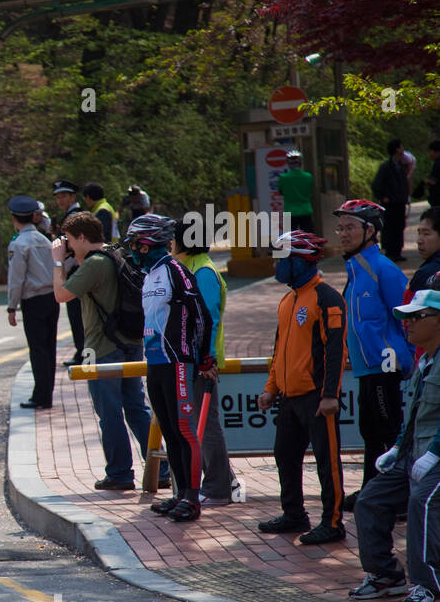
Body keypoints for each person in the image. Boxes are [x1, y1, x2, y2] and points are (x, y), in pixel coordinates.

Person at [50, 210, 158, 490]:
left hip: (101, 348)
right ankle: (162, 467)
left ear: (83, 237)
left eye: (71, 240)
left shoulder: (95, 264)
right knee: (136, 407)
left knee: (109, 412)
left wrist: (57, 261)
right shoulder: (117, 253)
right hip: (131, 342)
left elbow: (61, 295)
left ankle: (120, 473)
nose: (69, 246)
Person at [347, 288, 440, 602]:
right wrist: (398, 447)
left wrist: (435, 452)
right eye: (406, 318)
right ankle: (385, 574)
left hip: (435, 457)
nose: (407, 324)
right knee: (370, 500)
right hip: (414, 453)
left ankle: (429, 584)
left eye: (416, 317)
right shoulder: (425, 361)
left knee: (422, 502)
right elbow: (413, 415)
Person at [256, 231, 348, 544]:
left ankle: (333, 522)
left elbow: (336, 351)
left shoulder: (327, 298)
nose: (275, 267)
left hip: (317, 398)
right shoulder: (288, 299)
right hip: (289, 398)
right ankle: (294, 515)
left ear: (299, 261)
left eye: (280, 260)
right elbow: (279, 349)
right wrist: (271, 388)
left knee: (327, 461)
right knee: (285, 455)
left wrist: (330, 396)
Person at [129, 213, 213, 522]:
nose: (133, 250)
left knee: (184, 430)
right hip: (155, 363)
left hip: (178, 361)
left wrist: (205, 358)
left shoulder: (176, 270)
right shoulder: (149, 275)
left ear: (151, 242)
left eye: (137, 244)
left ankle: (192, 497)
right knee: (169, 430)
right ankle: (178, 493)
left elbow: (202, 314)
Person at [335, 199, 413, 513]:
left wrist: (406, 358)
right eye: (340, 228)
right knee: (370, 430)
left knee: (387, 430)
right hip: (367, 367)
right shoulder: (356, 269)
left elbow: (406, 317)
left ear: (370, 230)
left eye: (350, 227)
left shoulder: (382, 268)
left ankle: (397, 497)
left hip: (385, 363)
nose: (343, 233)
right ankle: (372, 488)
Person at [171, 219, 237, 505]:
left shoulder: (204, 272)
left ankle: (218, 488)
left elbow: (208, 319)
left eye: (172, 238)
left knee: (206, 425)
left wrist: (206, 360)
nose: (168, 244)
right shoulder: (190, 268)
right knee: (197, 423)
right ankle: (223, 479)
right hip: (192, 360)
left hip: (201, 363)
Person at [7, 193, 59, 409]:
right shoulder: (45, 240)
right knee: (50, 347)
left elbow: (16, 278)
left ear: (14, 218)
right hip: (51, 299)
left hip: (33, 301)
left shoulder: (19, 244)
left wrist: (12, 306)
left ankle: (41, 396)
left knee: (38, 349)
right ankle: (47, 393)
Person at [53, 179, 85, 366]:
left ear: (73, 196)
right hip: (75, 268)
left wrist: (62, 268)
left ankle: (83, 352)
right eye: (58, 197)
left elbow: (73, 249)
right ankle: (81, 351)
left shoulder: (75, 216)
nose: (60, 200)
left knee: (78, 315)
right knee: (76, 315)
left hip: (76, 269)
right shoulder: (70, 215)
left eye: (64, 196)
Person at [372, 140, 410, 262]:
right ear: (396, 149)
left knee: (399, 226)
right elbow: (376, 184)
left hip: (400, 202)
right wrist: (382, 197)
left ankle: (397, 251)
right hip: (389, 203)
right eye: (401, 147)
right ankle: (390, 251)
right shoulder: (386, 167)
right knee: (389, 227)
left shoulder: (401, 166)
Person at [277, 151, 315, 232]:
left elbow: (281, 191)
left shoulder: (283, 178)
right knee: (308, 237)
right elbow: (310, 191)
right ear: (300, 162)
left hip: (289, 211)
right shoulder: (308, 176)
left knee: (290, 238)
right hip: (305, 210)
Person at [408, 206, 440, 299]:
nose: (419, 240)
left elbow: (408, 310)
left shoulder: (426, 274)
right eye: (419, 234)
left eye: (426, 234)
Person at [420, 139, 440, 209]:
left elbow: (433, 181)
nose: (429, 154)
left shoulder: (437, 164)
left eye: (430, 152)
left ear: (437, 152)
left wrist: (425, 182)